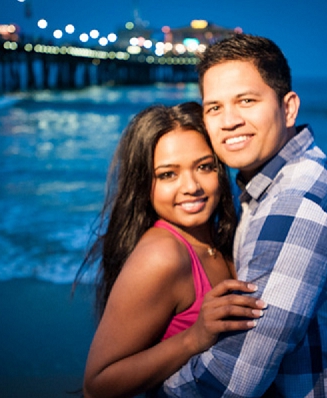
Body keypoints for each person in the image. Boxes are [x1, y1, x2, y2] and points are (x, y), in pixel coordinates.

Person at [158, 34, 327, 397]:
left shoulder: (297, 203)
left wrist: (150, 389)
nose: (228, 121)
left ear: (288, 108)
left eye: (246, 101)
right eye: (214, 107)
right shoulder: (268, 187)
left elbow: (234, 379)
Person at [79, 102, 266, 398]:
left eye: (204, 167)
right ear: (144, 183)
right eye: (168, 174)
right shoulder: (162, 255)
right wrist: (194, 338)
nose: (191, 186)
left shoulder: (219, 239)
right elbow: (97, 385)